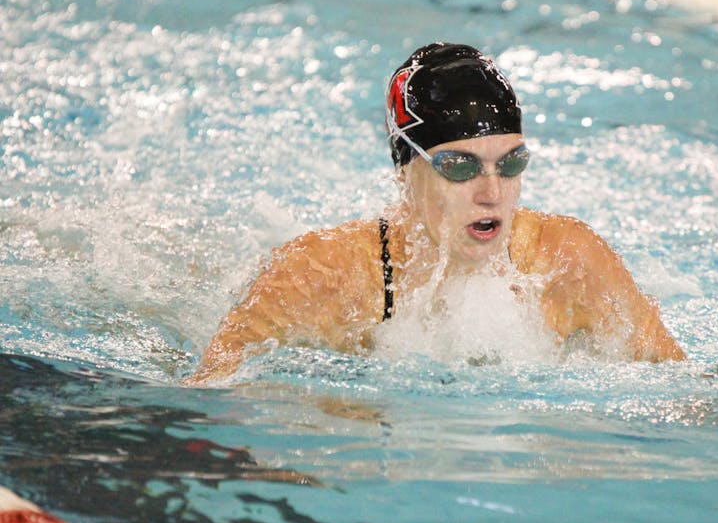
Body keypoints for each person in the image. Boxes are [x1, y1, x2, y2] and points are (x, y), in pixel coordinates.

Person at [186, 43, 684, 384]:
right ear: (406, 170)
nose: (492, 192)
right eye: (459, 167)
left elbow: (684, 387)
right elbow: (211, 388)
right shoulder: (323, 275)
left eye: (510, 163)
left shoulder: (566, 261)